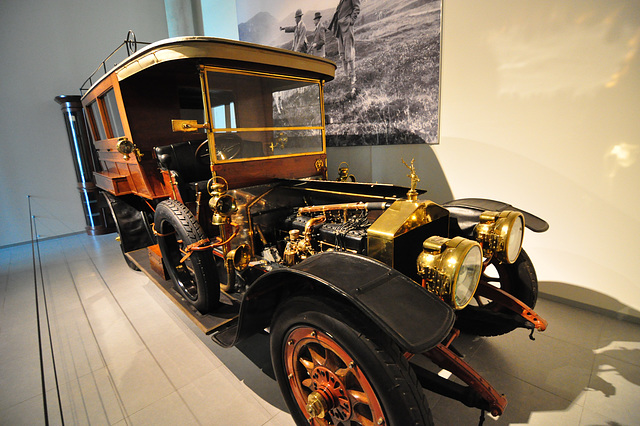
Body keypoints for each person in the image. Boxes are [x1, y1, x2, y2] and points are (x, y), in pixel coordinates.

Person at [329, 0, 360, 93]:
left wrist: (351, 20)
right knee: (342, 53)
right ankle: (346, 76)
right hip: (340, 29)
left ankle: (353, 76)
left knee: (349, 53)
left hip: (347, 27)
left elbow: (357, 8)